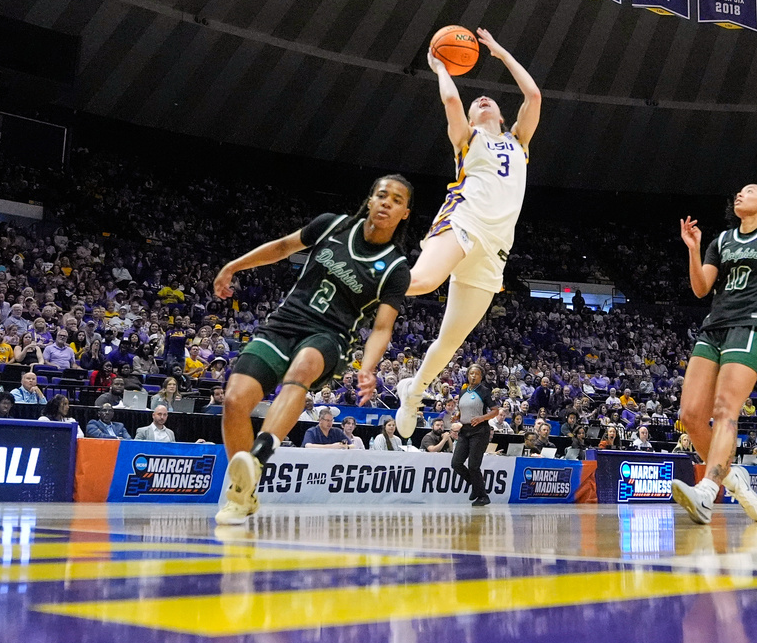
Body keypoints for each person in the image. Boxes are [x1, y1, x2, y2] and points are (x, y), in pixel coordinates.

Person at [213, 176, 413, 524]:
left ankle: (259, 456)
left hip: (330, 337)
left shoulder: (396, 268)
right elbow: (280, 248)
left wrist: (368, 367)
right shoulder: (331, 224)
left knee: (303, 366)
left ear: (404, 213)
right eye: (381, 195)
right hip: (284, 323)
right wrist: (234, 265)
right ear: (369, 200)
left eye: (396, 200)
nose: (386, 202)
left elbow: (382, 327)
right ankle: (241, 493)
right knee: (233, 400)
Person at [395, 28, 541, 439]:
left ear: (499, 113)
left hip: (495, 250)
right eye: (477, 101)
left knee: (449, 340)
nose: (482, 99)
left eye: (489, 99)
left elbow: (533, 97)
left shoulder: (519, 142)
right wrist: (441, 66)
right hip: (463, 222)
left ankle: (414, 392)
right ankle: (356, 276)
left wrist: (500, 53)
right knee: (422, 281)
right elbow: (451, 99)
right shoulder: (466, 137)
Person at [671, 185, 757, 525]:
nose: (738, 195)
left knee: (724, 410)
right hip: (714, 325)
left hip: (750, 326)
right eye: (737, 192)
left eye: (748, 192)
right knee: (689, 416)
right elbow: (701, 288)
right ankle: (731, 478)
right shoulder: (721, 241)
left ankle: (707, 491)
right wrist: (694, 249)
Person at [453, 364, 499, 506]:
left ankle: (482, 496)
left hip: (480, 431)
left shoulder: (484, 391)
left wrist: (481, 418)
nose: (473, 376)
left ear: (481, 376)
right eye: (471, 373)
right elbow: (464, 409)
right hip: (465, 430)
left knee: (473, 465)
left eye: (477, 374)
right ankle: (477, 488)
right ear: (467, 375)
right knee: (456, 463)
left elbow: (495, 411)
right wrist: (458, 416)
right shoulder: (463, 391)